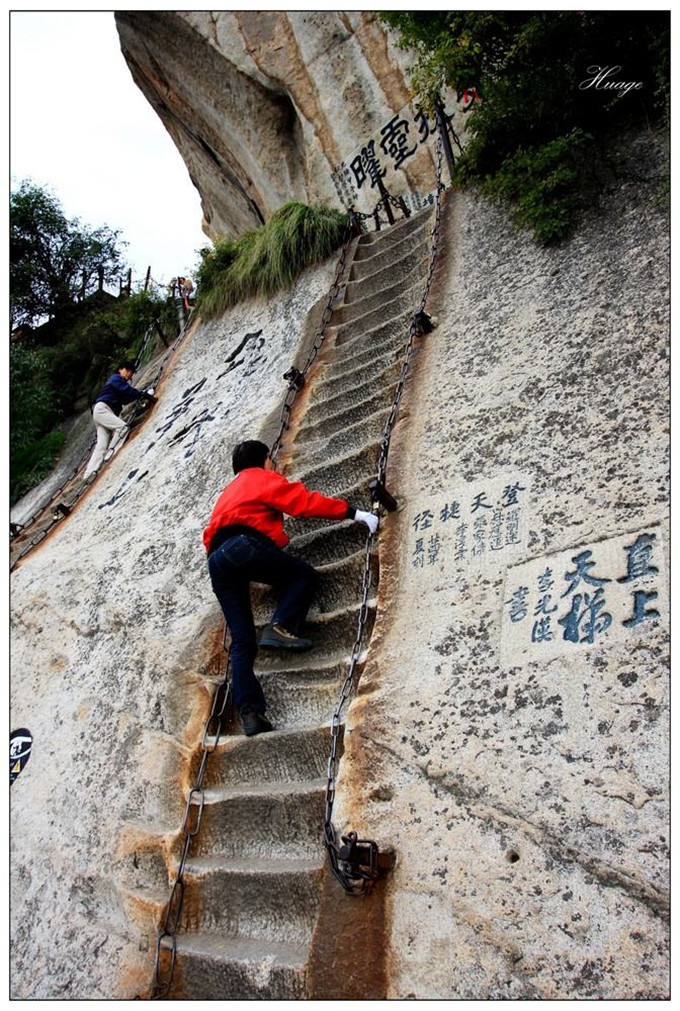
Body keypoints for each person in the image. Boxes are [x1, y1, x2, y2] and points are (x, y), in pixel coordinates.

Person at [204, 440, 379, 737]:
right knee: (302, 576)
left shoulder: (227, 494)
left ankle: (250, 712)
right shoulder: (259, 478)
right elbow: (303, 504)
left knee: (243, 641)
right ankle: (282, 626)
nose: (274, 464)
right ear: (263, 461)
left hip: (216, 561)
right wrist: (354, 513)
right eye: (271, 460)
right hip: (244, 545)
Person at [83, 362, 157, 479]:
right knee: (123, 428)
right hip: (104, 409)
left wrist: (141, 395)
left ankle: (88, 474)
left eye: (131, 372)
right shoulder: (115, 378)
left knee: (101, 444)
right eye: (127, 370)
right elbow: (127, 390)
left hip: (102, 411)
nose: (130, 374)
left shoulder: (118, 384)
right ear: (120, 370)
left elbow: (127, 397)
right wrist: (143, 393)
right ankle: (110, 454)